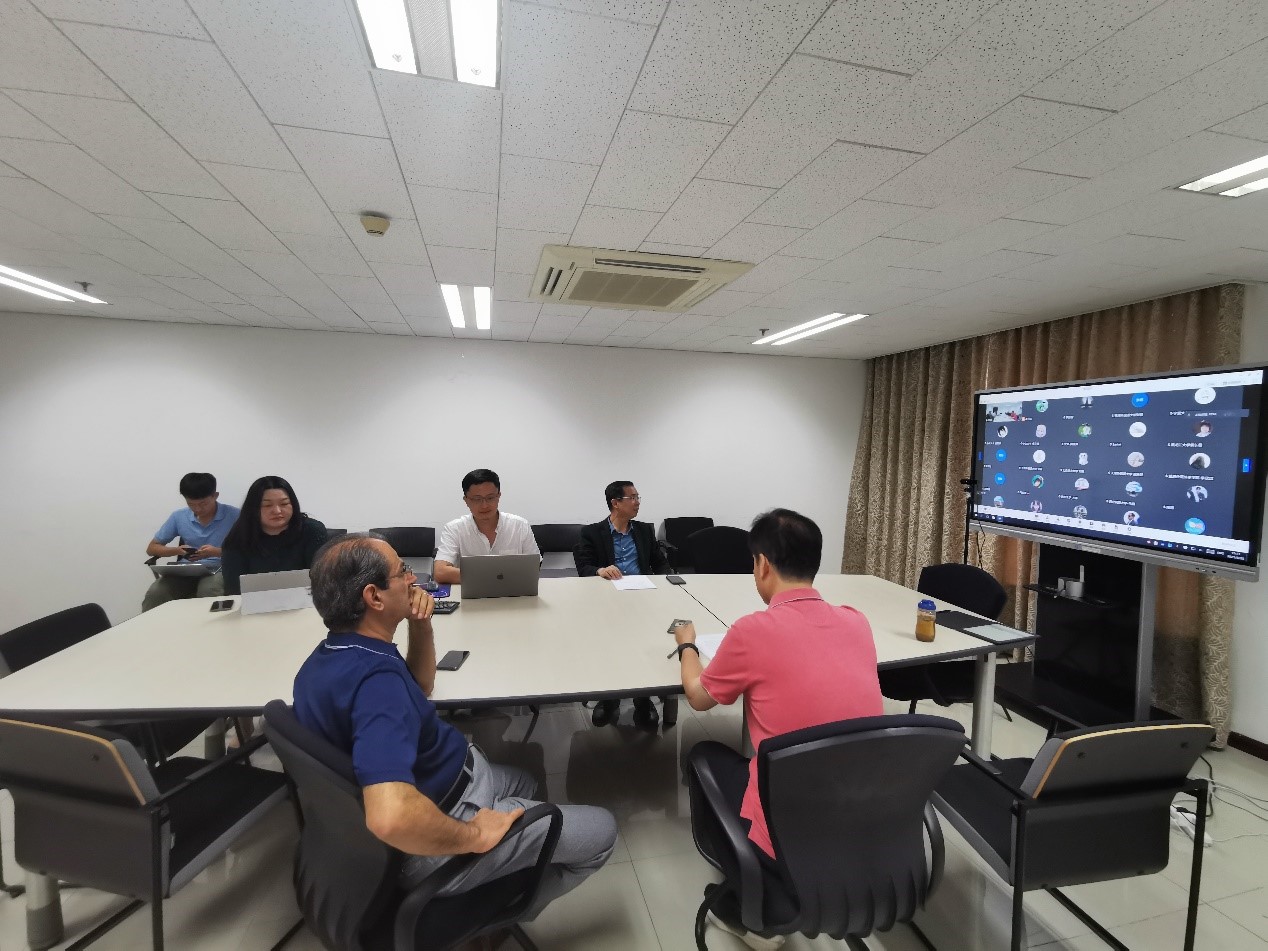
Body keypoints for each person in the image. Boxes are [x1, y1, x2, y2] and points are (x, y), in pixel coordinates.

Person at [293, 533, 616, 921]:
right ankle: (501, 913)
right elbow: (390, 816)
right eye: (402, 571)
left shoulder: (334, 655)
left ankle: (511, 864)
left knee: (528, 781)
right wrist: (475, 835)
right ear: (374, 597)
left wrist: (421, 626)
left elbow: (421, 686)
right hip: (440, 828)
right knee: (603, 831)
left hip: (449, 782)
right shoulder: (376, 685)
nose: (414, 578)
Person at [670, 509, 883, 950]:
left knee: (702, 752)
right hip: (863, 813)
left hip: (788, 823)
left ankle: (754, 894)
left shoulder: (753, 630)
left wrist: (687, 644)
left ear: (763, 564)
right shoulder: (856, 621)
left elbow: (698, 697)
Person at [574, 481, 669, 730]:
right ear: (615, 503)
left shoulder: (644, 530)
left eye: (638, 497)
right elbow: (584, 567)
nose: (637, 502)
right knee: (610, 650)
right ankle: (609, 698)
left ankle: (643, 700)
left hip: (642, 597)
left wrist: (667, 581)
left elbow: (659, 562)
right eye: (632, 498)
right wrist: (600, 570)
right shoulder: (591, 533)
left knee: (644, 649)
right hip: (607, 600)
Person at [141, 472, 240, 611]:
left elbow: (249, 550)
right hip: (186, 570)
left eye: (203, 503)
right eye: (191, 504)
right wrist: (176, 550)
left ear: (215, 495)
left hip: (219, 568)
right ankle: (151, 624)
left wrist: (216, 552)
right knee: (156, 592)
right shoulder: (179, 517)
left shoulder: (235, 515)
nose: (198, 509)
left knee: (208, 590)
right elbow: (152, 548)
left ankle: (211, 625)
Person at [220, 475, 327, 596]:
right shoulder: (238, 539)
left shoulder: (312, 531)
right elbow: (233, 589)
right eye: (267, 505)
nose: (277, 511)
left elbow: (323, 580)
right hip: (254, 604)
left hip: (307, 602)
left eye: (284, 503)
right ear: (253, 508)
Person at [433, 469, 540, 585]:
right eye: (477, 499)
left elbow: (534, 568)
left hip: (514, 590)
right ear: (466, 500)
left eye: (490, 498)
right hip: (472, 592)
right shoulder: (454, 529)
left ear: (498, 496)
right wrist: (496, 577)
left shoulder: (520, 526)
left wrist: (476, 575)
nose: (484, 505)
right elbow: (440, 572)